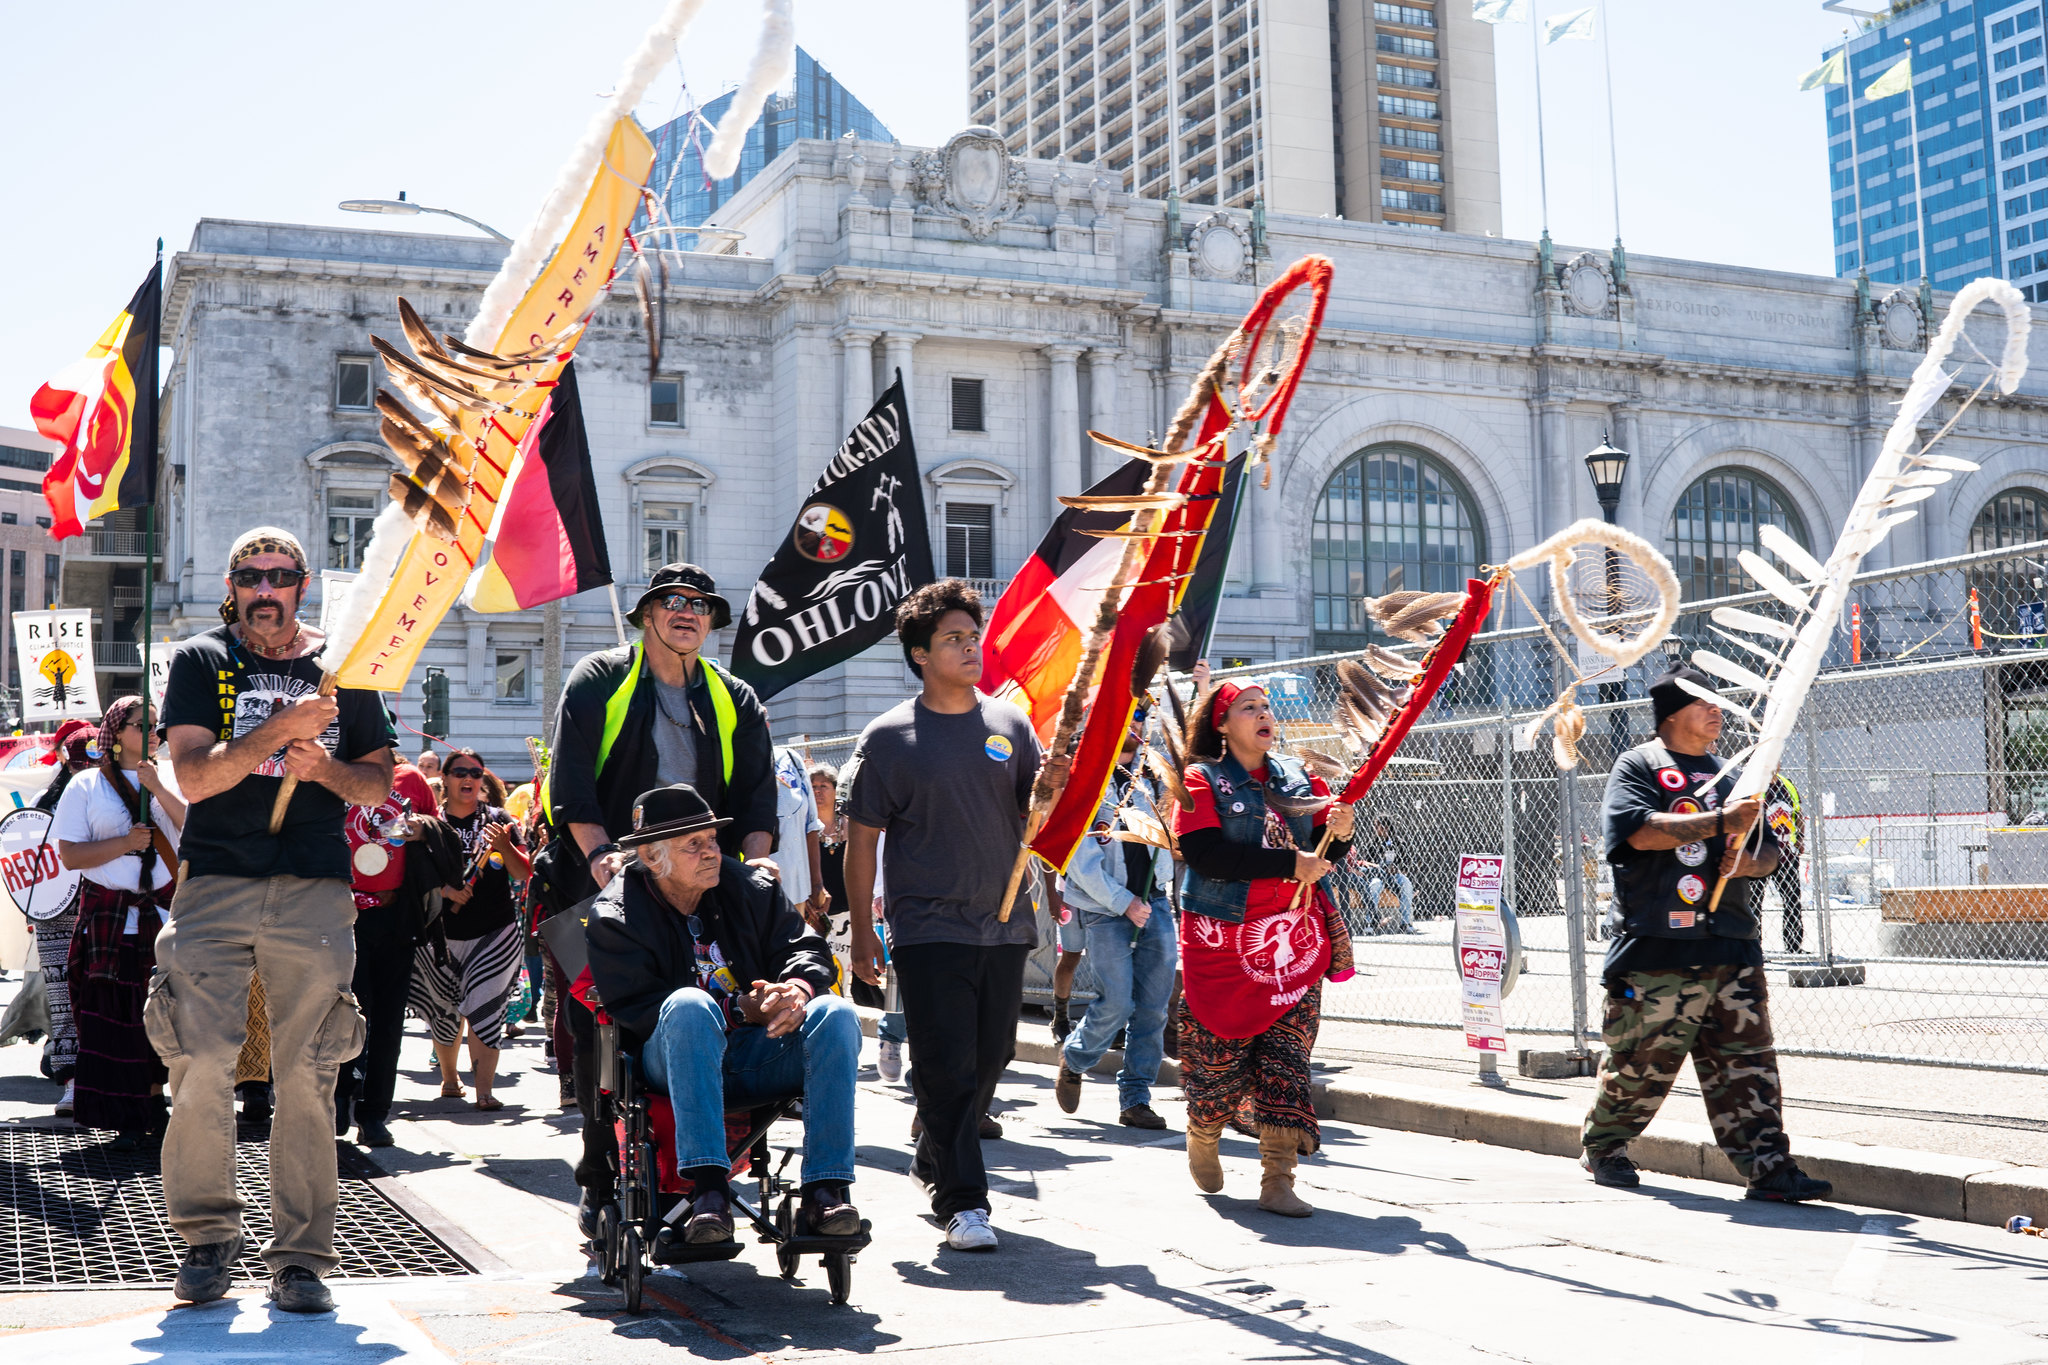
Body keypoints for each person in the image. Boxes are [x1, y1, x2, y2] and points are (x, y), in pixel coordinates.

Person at [154, 526, 396, 1312]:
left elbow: (375, 786)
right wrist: (277, 731)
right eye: (251, 575)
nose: (266, 587)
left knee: (309, 1071)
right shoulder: (201, 660)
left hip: (313, 888)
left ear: (302, 584)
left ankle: (299, 1257)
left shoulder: (347, 668)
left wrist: (322, 764)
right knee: (199, 1056)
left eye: (281, 574)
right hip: (215, 880)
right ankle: (205, 1237)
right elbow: (193, 774)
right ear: (233, 586)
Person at [539, 562, 777, 1237]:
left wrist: (754, 871)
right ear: (648, 613)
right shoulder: (600, 680)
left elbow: (758, 796)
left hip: (704, 886)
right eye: (673, 601)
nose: (688, 612)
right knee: (601, 1034)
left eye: (700, 604)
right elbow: (572, 793)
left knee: (718, 1013)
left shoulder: (735, 697)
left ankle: (711, 1167)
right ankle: (598, 1172)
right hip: (607, 886)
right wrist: (601, 862)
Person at [844, 579, 1068, 1253]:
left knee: (993, 1053)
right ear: (919, 653)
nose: (971, 648)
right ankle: (963, 1200)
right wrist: (862, 934)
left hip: (1005, 921)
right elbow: (861, 841)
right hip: (925, 925)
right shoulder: (888, 737)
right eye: (953, 639)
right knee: (945, 1061)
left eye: (974, 636)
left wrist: (1057, 789)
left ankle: (932, 1155)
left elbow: (1037, 817)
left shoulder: (1011, 724)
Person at [1579, 665, 1832, 1204]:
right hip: (1656, 948)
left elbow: (1767, 850)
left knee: (1748, 1066)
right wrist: (1721, 823)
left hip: (1732, 944)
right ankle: (1604, 1146)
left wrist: (1744, 863)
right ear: (1671, 713)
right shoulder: (1639, 765)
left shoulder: (1734, 772)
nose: (1717, 711)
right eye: (1704, 703)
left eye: (1719, 703)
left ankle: (1768, 1168)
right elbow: (1639, 833)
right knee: (1639, 1063)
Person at [584, 784, 860, 1244]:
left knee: (834, 1012)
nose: (711, 852)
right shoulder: (615, 915)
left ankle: (825, 1189)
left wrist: (793, 989)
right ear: (652, 857)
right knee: (689, 1006)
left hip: (754, 1052)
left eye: (711, 839)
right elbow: (636, 1007)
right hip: (669, 1058)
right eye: (694, 845)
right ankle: (709, 1193)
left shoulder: (749, 887)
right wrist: (735, 1009)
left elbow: (806, 947)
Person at [1170, 681, 1355, 1217]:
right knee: (1218, 1063)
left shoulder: (1302, 779)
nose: (1263, 714)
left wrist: (1339, 831)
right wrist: (1288, 864)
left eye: (1267, 706)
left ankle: (1279, 1177)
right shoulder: (1202, 780)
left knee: (1288, 1056)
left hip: (1291, 944)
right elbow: (1204, 854)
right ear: (1222, 725)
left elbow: (1324, 854)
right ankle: (1204, 1125)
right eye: (1247, 707)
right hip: (1223, 943)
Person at [56, 697, 184, 1151]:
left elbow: (196, 834)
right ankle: (125, 1114)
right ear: (116, 732)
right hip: (110, 921)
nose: (151, 733)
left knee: (165, 1017)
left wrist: (159, 787)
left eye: (155, 725)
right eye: (140, 725)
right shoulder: (87, 785)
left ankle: (156, 1102)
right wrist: (125, 842)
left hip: (166, 919)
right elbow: (70, 854)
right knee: (113, 1019)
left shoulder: (172, 776)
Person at [1055, 711, 1177, 1130]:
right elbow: (1082, 865)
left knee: (1153, 1008)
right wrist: (1125, 903)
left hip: (1155, 904)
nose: (1133, 727)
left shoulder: (1150, 779)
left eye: (1139, 720)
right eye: (1124, 717)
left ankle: (1136, 1098)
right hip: (1107, 910)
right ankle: (1074, 1057)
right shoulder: (1084, 787)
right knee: (1118, 1001)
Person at [409, 749, 531, 1111]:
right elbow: (412, 874)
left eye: (475, 773)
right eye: (459, 772)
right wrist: (445, 891)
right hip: (440, 933)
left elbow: (523, 873)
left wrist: (504, 846)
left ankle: (484, 1091)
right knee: (444, 1008)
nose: (468, 779)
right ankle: (450, 1081)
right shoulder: (428, 823)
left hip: (495, 931)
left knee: (484, 1006)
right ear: (444, 779)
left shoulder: (500, 820)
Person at [334, 752, 441, 1147]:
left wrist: (420, 830)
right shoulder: (329, 772)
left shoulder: (410, 778)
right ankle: (339, 1097)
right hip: (340, 915)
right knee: (342, 1010)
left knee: (388, 1019)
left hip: (394, 916)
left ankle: (375, 1111)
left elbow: (436, 827)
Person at [33, 720, 98, 1117]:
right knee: (64, 1003)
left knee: (106, 996)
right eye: (75, 765)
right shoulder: (44, 802)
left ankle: (109, 1082)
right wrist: (35, 906)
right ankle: (73, 1084)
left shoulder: (111, 794)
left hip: (102, 909)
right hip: (56, 918)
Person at [773, 745, 828, 928]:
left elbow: (810, 824)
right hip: (752, 895)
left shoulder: (789, 759)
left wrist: (817, 884)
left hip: (797, 894)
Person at [1762, 774, 1806, 952]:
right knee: (1754, 902)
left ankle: (1794, 945)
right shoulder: (1753, 783)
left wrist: (1800, 840)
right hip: (1761, 854)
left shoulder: (1787, 784)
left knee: (1792, 899)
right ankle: (1755, 947)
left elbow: (1799, 814)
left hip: (1786, 854)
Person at [1360, 815, 1418, 934]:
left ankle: (1406, 923)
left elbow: (1406, 865)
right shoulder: (1373, 843)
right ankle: (1369, 922)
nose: (1375, 828)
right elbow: (1365, 862)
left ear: (1385, 827)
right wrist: (1377, 867)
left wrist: (1396, 870)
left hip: (1393, 876)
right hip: (1377, 875)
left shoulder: (1399, 843)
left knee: (1406, 882)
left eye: (1377, 826)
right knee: (1375, 884)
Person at [1048, 880, 1085, 1044]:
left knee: (1107, 959)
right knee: (1071, 956)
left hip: (1105, 893)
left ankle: (1113, 1025)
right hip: (1070, 892)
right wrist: (1052, 895)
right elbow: (1049, 857)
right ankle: (1060, 1019)